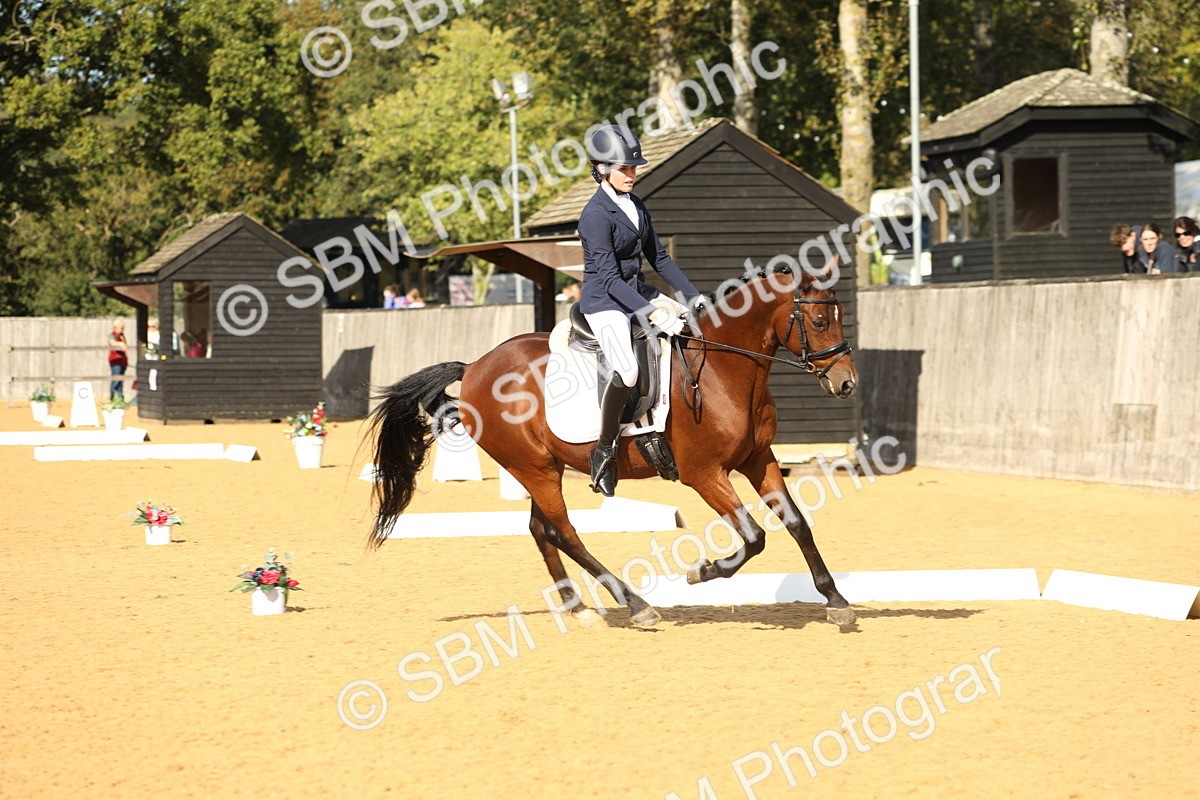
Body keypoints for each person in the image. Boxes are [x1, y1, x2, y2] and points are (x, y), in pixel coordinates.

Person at [577, 124, 703, 496]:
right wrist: (651, 311)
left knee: (692, 328)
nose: (632, 174)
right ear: (602, 168)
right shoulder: (595, 215)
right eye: (625, 169)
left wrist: (691, 295)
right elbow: (610, 278)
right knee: (628, 371)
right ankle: (604, 450)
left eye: (634, 169)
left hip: (635, 291)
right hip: (604, 301)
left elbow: (659, 257)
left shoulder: (636, 205)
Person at [107, 320, 129, 400]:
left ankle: (120, 398)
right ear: (116, 327)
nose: (123, 330)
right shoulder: (112, 335)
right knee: (115, 380)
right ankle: (113, 398)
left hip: (122, 361)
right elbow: (112, 342)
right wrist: (121, 344)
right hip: (116, 361)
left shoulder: (122, 336)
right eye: (121, 328)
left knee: (121, 381)